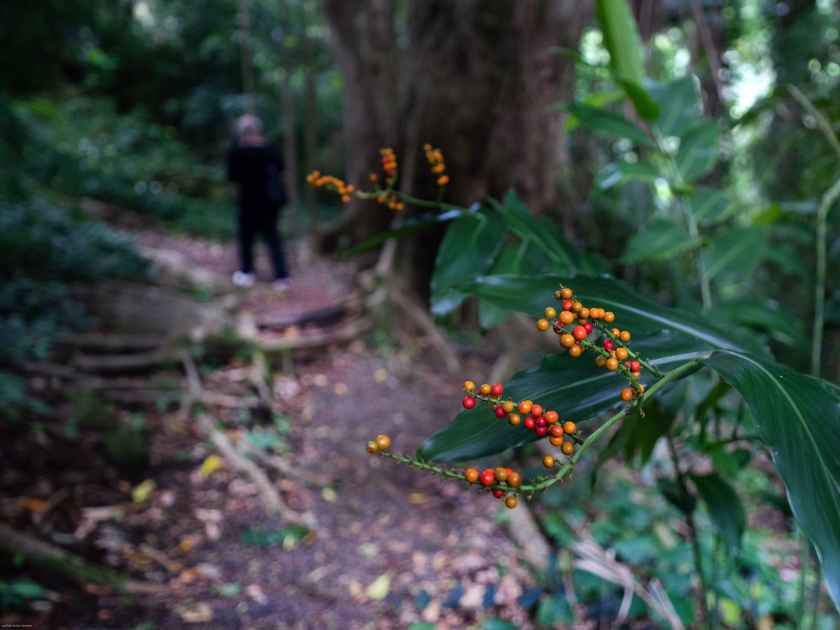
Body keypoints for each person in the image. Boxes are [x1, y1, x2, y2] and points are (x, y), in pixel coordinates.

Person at [226, 113, 290, 290]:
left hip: (260, 202)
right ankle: (271, 275)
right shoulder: (266, 150)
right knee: (262, 238)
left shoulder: (240, 151)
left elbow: (232, 179)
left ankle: (276, 275)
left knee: (265, 238)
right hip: (259, 203)